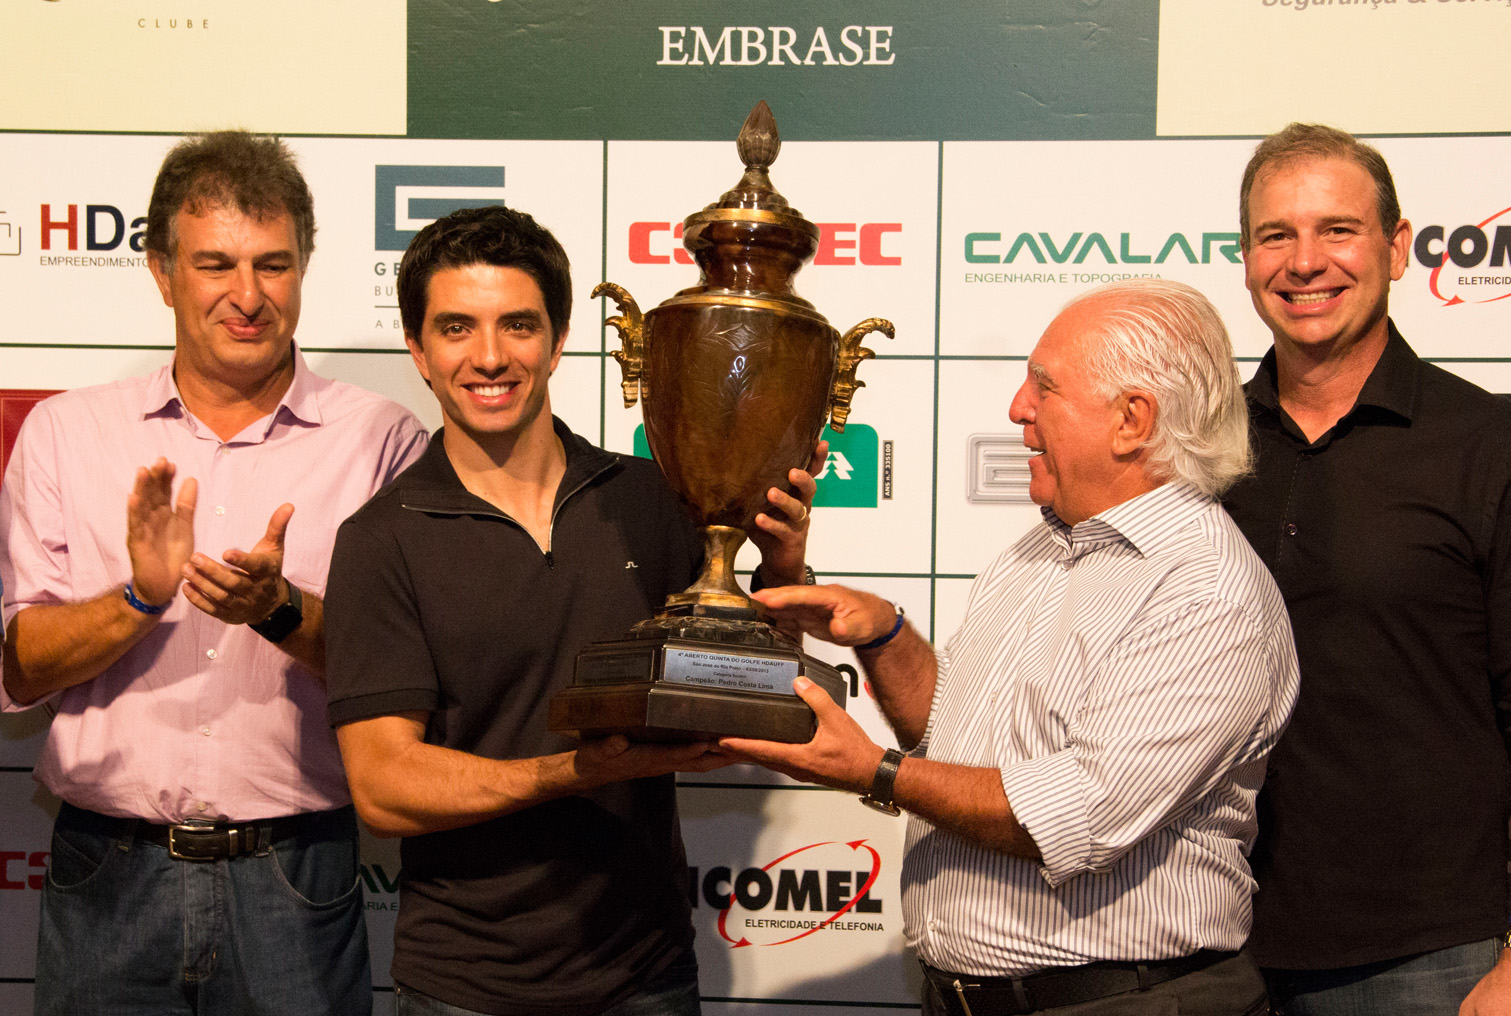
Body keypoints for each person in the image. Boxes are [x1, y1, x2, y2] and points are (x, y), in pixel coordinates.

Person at [721, 278, 1299, 1016]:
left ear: (1132, 420)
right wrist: (885, 638)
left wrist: (874, 772)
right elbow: (948, 737)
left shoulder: (1205, 591)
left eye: (1043, 386)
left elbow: (1075, 817)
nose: (1016, 408)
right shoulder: (1035, 552)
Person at [322, 204, 822, 1016]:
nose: (489, 357)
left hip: (647, 978)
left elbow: (765, 691)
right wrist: (579, 770)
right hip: (466, 988)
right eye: (456, 328)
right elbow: (383, 786)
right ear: (416, 350)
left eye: (518, 326)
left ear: (557, 342)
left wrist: (781, 564)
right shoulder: (382, 539)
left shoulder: (655, 499)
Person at [0, 130, 429, 1016]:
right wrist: (137, 601)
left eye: (273, 265)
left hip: (297, 875)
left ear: (305, 269)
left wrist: (280, 612)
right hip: (103, 876)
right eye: (215, 264)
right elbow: (18, 669)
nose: (247, 296)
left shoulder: (382, 439)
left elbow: (407, 675)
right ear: (161, 271)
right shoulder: (66, 432)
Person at [1222, 123, 1511, 1015]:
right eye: (1276, 235)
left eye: (1336, 230)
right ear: (1244, 258)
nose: (1304, 262)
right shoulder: (1201, 450)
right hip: (1209, 949)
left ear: (1394, 246)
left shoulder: (1487, 443)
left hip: (1428, 955)